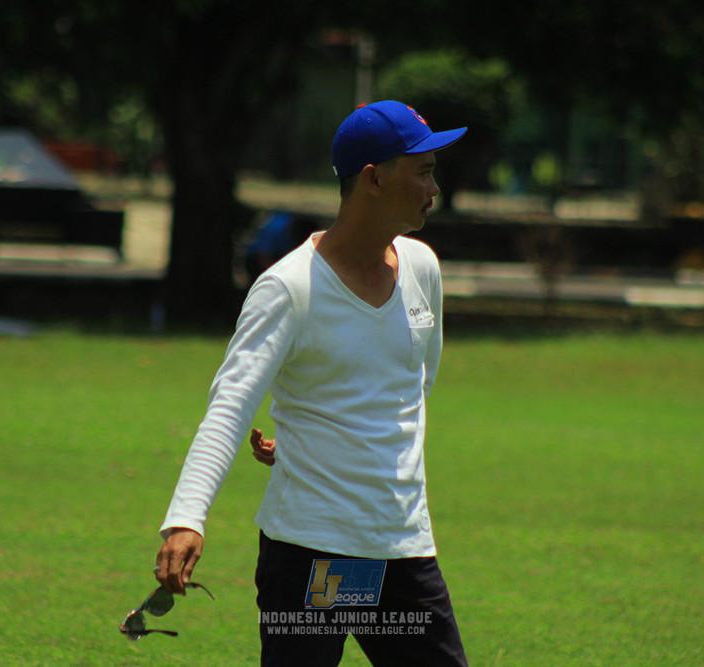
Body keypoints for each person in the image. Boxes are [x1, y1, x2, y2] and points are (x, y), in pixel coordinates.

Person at [154, 100, 468, 666]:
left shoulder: (423, 268)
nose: (433, 187)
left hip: (401, 553)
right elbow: (229, 408)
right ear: (373, 178)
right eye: (421, 170)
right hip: (313, 555)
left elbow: (410, 391)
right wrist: (186, 517)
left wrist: (320, 440)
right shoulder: (289, 288)